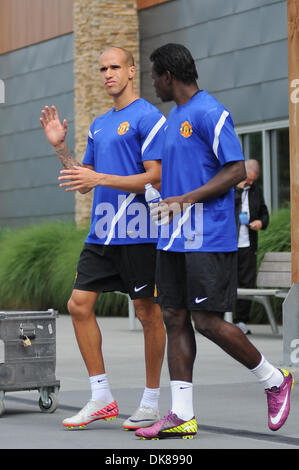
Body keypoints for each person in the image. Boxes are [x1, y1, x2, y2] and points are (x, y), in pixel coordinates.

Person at [135, 43, 294, 440]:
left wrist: (185, 199)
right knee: (173, 317)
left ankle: (274, 379)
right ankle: (182, 414)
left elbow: (237, 168)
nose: (153, 84)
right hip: (172, 238)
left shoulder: (210, 111)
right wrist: (157, 195)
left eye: (155, 76)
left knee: (206, 321)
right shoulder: (173, 118)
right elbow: (173, 176)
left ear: (169, 76)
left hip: (208, 236)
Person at [40, 46, 166, 431]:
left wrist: (99, 179)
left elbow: (155, 177)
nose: (108, 73)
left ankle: (149, 402)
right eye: (102, 69)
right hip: (103, 232)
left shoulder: (149, 117)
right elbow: (83, 182)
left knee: (148, 313)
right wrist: (62, 149)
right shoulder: (99, 124)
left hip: (140, 233)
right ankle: (102, 398)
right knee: (78, 305)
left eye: (115, 67)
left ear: (131, 71)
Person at [234, 159, 269, 335]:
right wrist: (239, 189)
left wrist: (260, 223)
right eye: (248, 179)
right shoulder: (231, 187)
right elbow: (227, 207)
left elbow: (264, 213)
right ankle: (223, 318)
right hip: (230, 243)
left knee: (246, 281)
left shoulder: (256, 190)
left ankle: (241, 320)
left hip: (248, 242)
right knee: (228, 280)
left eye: (253, 180)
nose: (250, 182)